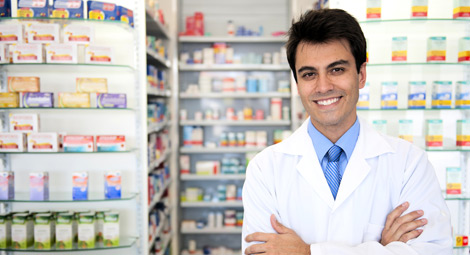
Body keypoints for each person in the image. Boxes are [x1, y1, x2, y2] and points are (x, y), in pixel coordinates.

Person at [242, 8, 452, 255]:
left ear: (361, 74)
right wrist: (381, 248)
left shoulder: (408, 163)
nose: (323, 86)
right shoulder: (265, 169)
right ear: (297, 84)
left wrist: (307, 252)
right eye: (309, 74)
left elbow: (432, 251)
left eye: (337, 70)